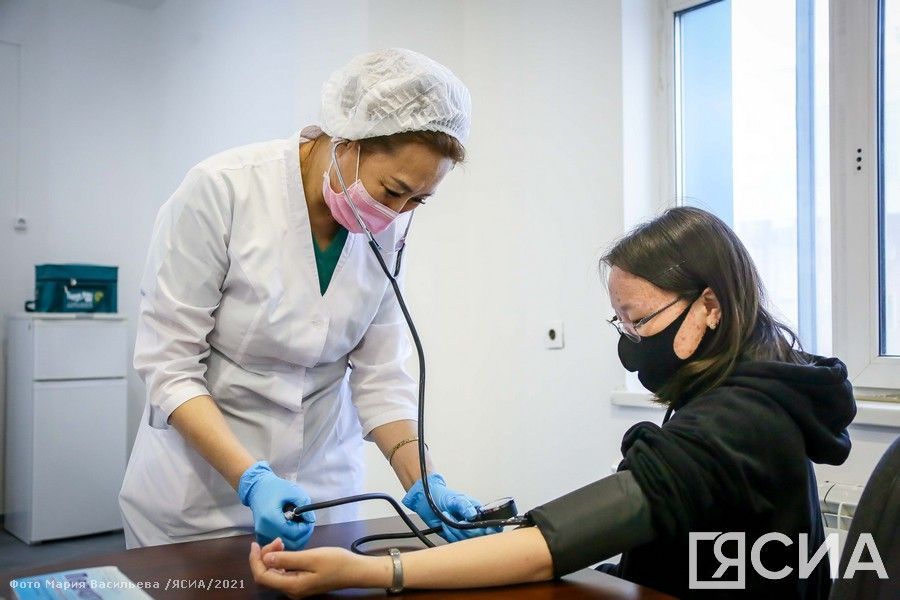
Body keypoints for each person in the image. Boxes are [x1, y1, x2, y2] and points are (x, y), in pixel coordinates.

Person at [247, 206, 857, 599]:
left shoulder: (738, 422)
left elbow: (559, 545)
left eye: (640, 320)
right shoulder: (753, 385)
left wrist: (378, 571)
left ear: (710, 307)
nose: (630, 341)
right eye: (620, 322)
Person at [119, 48, 498, 550]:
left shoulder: (388, 226)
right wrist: (251, 480)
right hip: (198, 498)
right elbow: (168, 364)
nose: (396, 213)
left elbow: (381, 376)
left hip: (323, 494)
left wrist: (425, 482)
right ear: (347, 141)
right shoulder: (223, 190)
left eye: (417, 201)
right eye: (392, 191)